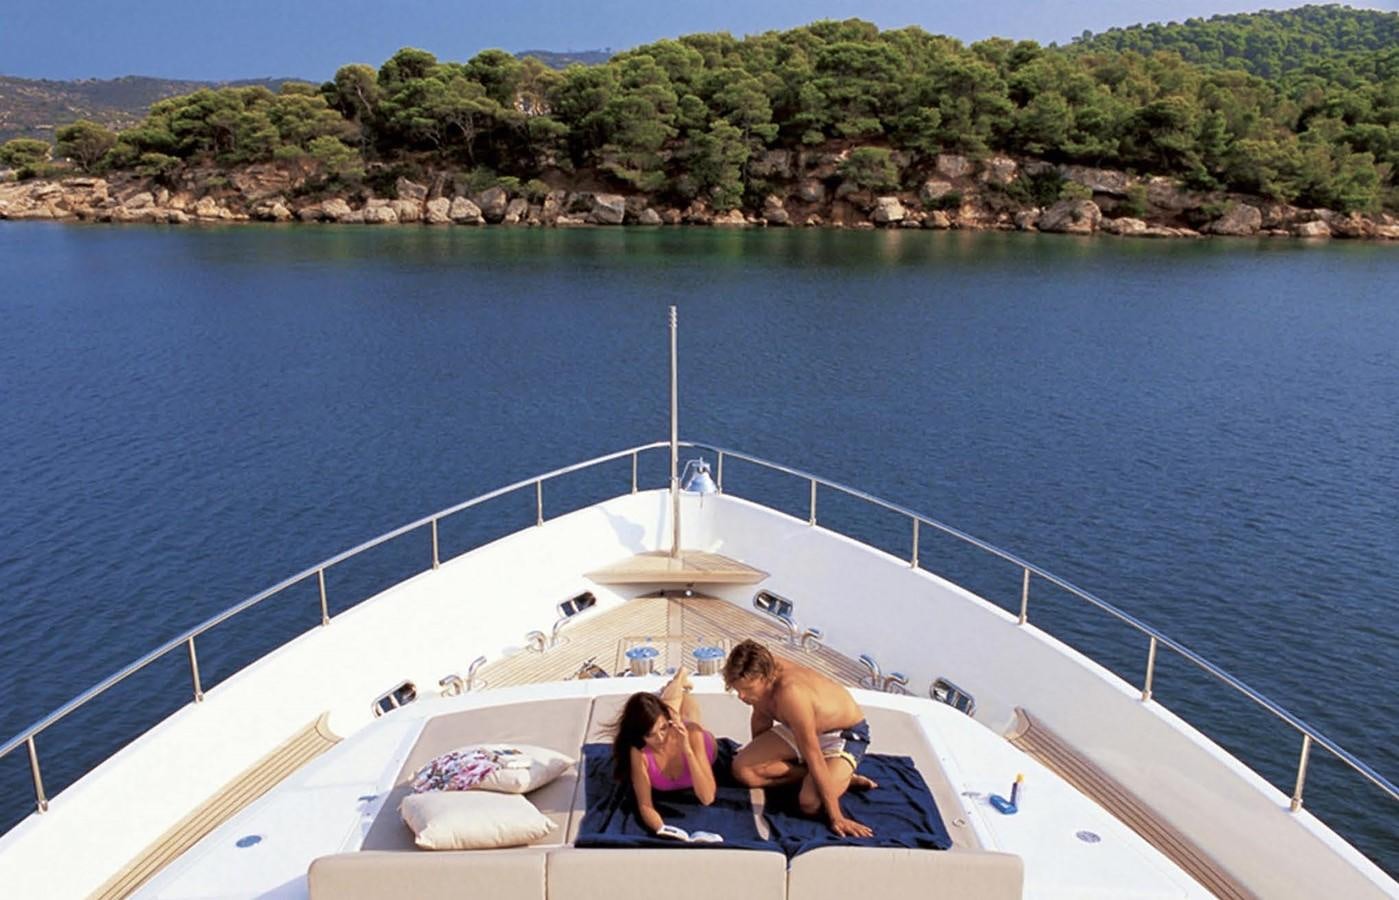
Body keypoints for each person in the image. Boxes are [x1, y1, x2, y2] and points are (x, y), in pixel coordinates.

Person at [724, 639, 876, 837]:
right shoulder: (759, 669)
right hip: (799, 726)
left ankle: (842, 778)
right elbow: (761, 717)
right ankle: (825, 778)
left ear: (765, 678)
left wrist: (836, 817)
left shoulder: (791, 693)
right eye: (738, 690)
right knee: (743, 770)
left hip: (843, 733)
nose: (741, 696)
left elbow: (812, 752)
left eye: (748, 690)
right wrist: (760, 757)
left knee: (810, 803)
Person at [608, 669, 719, 834]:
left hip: (695, 737)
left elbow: (707, 798)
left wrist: (687, 750)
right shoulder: (639, 752)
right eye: (649, 735)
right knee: (669, 707)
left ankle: (680, 678)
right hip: (668, 722)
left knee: (687, 714)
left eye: (663, 729)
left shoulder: (692, 735)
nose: (660, 739)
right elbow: (645, 804)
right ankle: (674, 686)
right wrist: (661, 829)